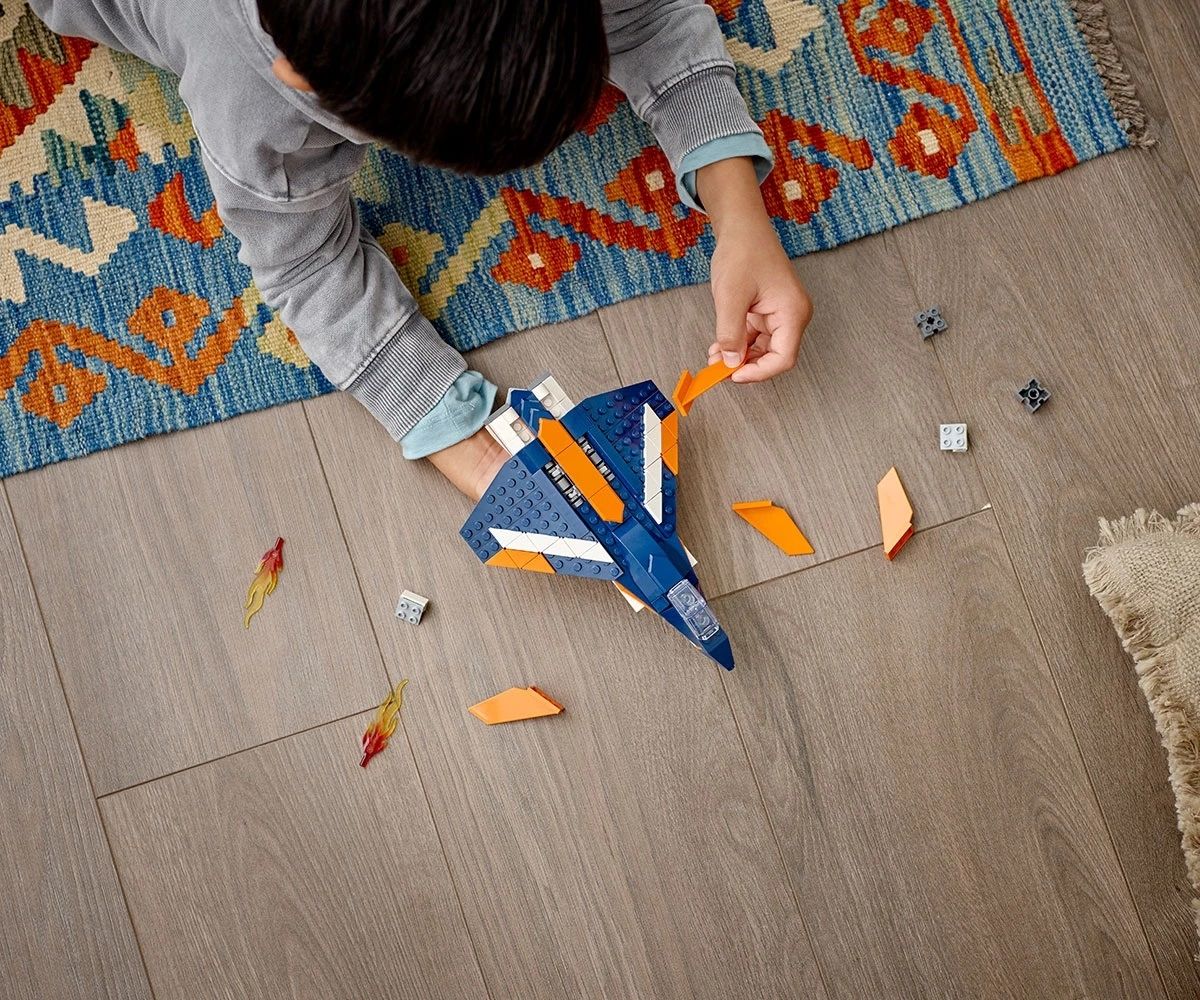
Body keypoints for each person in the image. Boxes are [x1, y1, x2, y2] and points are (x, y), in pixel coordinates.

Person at [30, 0, 813, 498]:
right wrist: (457, 435)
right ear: (300, 77)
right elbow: (302, 260)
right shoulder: (255, 104)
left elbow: (646, 15)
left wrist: (738, 211)